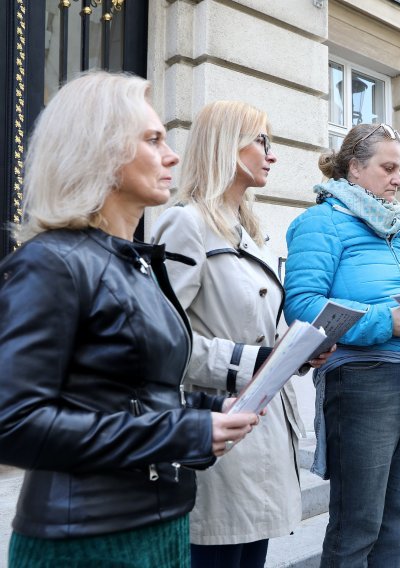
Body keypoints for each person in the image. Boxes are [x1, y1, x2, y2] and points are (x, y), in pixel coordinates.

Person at [0, 71, 259, 568]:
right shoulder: (50, 262)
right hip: (87, 542)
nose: (173, 155)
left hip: (162, 524)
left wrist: (212, 409)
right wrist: (185, 432)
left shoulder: (133, 261)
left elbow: (134, 390)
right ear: (100, 151)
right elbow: (15, 423)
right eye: (153, 139)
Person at [152, 101, 330, 568]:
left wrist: (298, 353)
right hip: (218, 433)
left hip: (264, 430)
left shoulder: (248, 233)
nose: (272, 154)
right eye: (261, 141)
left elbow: (262, 328)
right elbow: (163, 342)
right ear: (226, 147)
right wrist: (256, 361)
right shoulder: (185, 224)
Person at [283, 122, 400, 567]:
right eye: (389, 167)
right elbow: (303, 307)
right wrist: (385, 321)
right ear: (355, 169)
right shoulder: (320, 222)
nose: (398, 178)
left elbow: (399, 311)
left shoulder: (395, 229)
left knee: (395, 518)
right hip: (360, 382)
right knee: (357, 523)